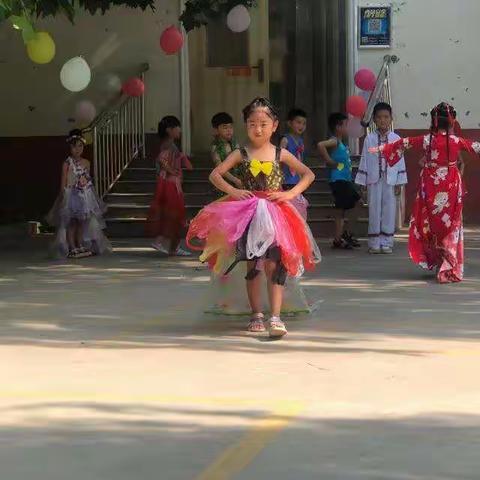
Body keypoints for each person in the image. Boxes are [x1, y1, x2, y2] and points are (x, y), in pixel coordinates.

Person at [187, 97, 320, 338]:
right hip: (247, 213)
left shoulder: (281, 153)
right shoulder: (241, 153)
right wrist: (235, 192)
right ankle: (257, 313)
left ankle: (276, 317)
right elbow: (216, 175)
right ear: (246, 125)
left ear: (275, 125)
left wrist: (289, 193)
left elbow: (308, 174)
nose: (257, 129)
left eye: (263, 123)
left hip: (276, 214)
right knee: (253, 264)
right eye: (252, 124)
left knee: (275, 264)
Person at [369, 102, 480, 283]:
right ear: (452, 121)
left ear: (434, 121)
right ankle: (449, 262)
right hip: (451, 184)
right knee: (452, 224)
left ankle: (436, 259)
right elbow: (476, 146)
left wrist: (382, 148)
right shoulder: (455, 141)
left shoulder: (428, 139)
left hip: (430, 184)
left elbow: (404, 143)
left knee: (431, 221)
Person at [46, 129, 111, 258]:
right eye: (74, 146)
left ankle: (80, 244)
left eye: (80, 146)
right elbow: (63, 183)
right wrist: (63, 197)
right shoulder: (67, 163)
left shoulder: (86, 162)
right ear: (70, 147)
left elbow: (88, 179)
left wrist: (86, 186)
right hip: (71, 196)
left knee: (82, 222)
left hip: (84, 195)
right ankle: (72, 246)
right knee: (72, 222)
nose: (77, 149)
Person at [355, 102, 408, 254]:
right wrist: (363, 182)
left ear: (391, 119)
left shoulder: (396, 139)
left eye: (386, 117)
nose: (383, 120)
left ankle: (387, 242)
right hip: (373, 179)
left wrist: (400, 182)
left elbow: (400, 160)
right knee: (374, 210)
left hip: (390, 180)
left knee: (389, 210)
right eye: (379, 117)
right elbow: (365, 159)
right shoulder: (369, 139)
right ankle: (374, 242)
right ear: (374, 120)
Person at [146, 116, 193, 256]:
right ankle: (161, 241)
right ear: (169, 130)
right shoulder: (168, 145)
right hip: (170, 185)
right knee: (174, 214)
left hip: (174, 184)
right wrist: (173, 171)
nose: (180, 130)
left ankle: (174, 246)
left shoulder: (171, 144)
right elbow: (162, 160)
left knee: (176, 215)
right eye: (177, 127)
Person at [318, 113, 362, 249]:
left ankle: (345, 234)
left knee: (357, 202)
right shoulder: (335, 141)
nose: (347, 127)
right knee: (341, 209)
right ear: (338, 127)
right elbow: (320, 145)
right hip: (338, 180)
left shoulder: (341, 143)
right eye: (345, 125)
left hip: (345, 180)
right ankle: (339, 237)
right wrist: (329, 161)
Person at [279, 108, 309, 219]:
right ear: (290, 123)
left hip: (298, 181)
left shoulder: (301, 141)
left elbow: (301, 163)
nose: (301, 126)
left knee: (299, 210)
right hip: (287, 180)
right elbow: (278, 160)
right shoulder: (285, 140)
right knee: (289, 211)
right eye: (298, 122)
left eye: (304, 123)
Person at [210, 112, 242, 195]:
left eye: (231, 127)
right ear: (216, 130)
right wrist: (236, 180)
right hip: (223, 186)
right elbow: (220, 169)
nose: (229, 130)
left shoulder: (235, 144)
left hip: (238, 181)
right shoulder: (215, 147)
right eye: (225, 128)